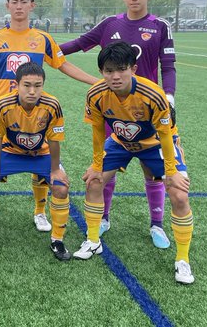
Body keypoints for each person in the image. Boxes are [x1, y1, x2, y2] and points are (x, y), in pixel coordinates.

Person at [0, 0, 97, 231]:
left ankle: (40, 212)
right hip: (1, 109)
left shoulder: (43, 39)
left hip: (35, 110)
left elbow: (63, 65)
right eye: (14, 2)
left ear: (32, 5)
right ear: (7, 5)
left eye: (24, 1)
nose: (19, 6)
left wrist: (96, 81)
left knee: (38, 154)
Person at [59, 0, 177, 248]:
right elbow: (78, 44)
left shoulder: (160, 26)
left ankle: (156, 224)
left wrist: (169, 98)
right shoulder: (110, 23)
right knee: (107, 163)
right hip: (113, 107)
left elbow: (168, 67)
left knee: (152, 169)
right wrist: (44, 49)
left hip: (148, 109)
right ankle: (103, 218)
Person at [73, 42, 194, 284]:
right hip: (120, 141)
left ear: (133, 69)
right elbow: (98, 131)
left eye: (121, 69)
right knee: (94, 182)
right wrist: (97, 164)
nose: (115, 76)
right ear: (101, 72)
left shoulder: (153, 94)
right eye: (109, 71)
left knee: (179, 195)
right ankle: (93, 240)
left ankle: (182, 259)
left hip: (155, 143)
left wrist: (171, 171)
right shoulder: (96, 94)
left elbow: (166, 135)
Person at [0, 62, 71, 261]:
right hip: (11, 151)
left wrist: (55, 169)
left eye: (37, 85)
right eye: (27, 85)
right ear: (16, 84)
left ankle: (57, 240)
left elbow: (54, 140)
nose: (32, 91)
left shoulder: (52, 105)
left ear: (43, 85)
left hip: (41, 153)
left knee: (61, 187)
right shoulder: (3, 104)